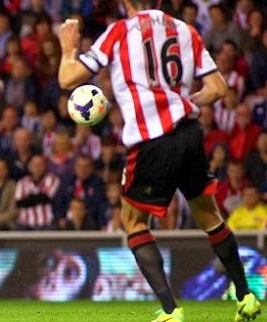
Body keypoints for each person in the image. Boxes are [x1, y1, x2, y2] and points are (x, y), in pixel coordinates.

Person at [57, 1, 260, 321]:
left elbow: (68, 78)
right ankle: (246, 296)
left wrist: (68, 48)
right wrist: (181, 104)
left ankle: (171, 310)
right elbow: (218, 88)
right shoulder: (186, 30)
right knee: (209, 215)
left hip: (151, 140)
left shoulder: (119, 32)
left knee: (134, 223)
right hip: (190, 133)